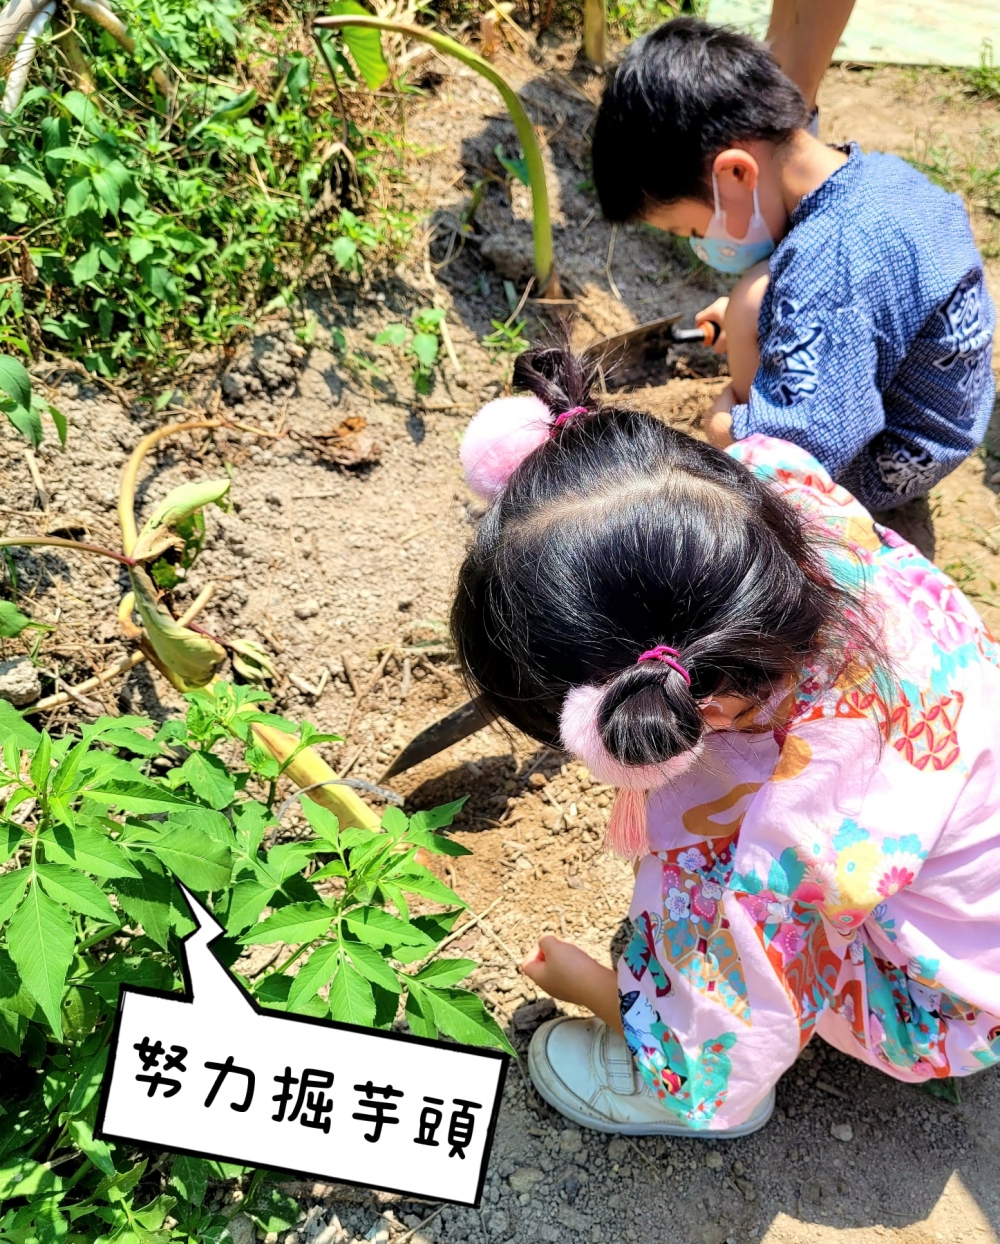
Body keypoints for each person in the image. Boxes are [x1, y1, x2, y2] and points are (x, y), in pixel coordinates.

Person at [450, 342, 1000, 1135]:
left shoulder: (799, 825)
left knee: (698, 861)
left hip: (954, 1000)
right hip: (964, 857)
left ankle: (658, 1075)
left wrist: (604, 993)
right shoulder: (779, 492)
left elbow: (754, 980)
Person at [590, 18, 995, 513]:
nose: (700, 245)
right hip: (947, 415)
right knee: (755, 303)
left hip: (894, 459)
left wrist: (724, 428)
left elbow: (800, 455)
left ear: (735, 172)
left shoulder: (827, 264)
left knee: (750, 301)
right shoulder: (879, 176)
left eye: (690, 230)